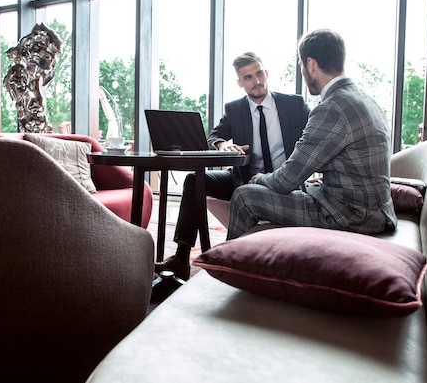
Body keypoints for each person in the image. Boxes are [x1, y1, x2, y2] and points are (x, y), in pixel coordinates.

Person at [227, 29, 398, 240]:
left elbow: (285, 180)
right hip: (376, 210)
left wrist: (259, 179)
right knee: (302, 186)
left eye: (301, 65)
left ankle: (226, 269)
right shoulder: (363, 98)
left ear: (311, 64)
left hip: (350, 216)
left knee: (244, 196)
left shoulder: (331, 107)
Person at [155, 52, 310, 279]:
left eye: (259, 74)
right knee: (193, 180)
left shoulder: (293, 105)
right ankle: (181, 257)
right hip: (245, 180)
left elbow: (315, 138)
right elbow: (214, 137)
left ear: (266, 73)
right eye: (248, 77)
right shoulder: (234, 109)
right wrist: (222, 145)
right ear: (240, 83)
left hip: (284, 181)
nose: (256, 81)